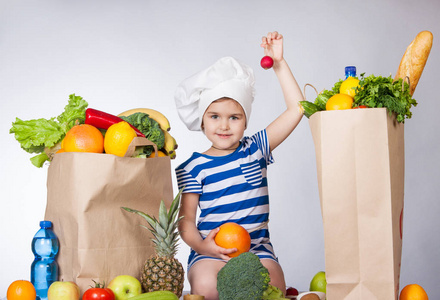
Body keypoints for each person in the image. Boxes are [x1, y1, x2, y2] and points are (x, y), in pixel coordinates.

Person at [174, 31, 304, 299]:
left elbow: (297, 109)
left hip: (257, 248)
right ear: (202, 121)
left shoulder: (255, 149)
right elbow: (186, 220)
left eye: (234, 117)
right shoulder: (194, 166)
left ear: (246, 121)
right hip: (210, 251)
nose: (224, 125)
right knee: (207, 289)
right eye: (214, 116)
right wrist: (203, 246)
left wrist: (278, 64)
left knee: (273, 289)